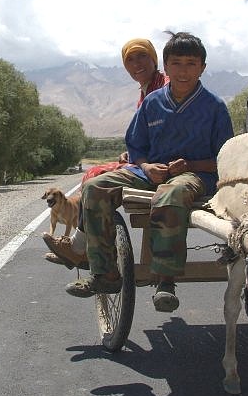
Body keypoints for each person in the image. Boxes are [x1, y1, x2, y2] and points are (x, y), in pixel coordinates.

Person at [65, 31, 234, 312]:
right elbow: (136, 147)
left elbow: (225, 158)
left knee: (172, 193)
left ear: (202, 67)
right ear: (165, 67)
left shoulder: (214, 107)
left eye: (191, 64)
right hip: (150, 173)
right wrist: (145, 166)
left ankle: (165, 280)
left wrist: (190, 165)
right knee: (96, 187)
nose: (183, 71)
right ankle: (104, 274)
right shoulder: (153, 102)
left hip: (195, 176)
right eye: (176, 63)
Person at [43, 38, 169, 270]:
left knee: (94, 175)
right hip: (146, 160)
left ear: (154, 59)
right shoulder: (148, 88)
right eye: (130, 59)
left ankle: (83, 250)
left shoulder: (163, 87)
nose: (136, 63)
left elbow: (165, 134)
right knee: (92, 174)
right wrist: (131, 152)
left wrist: (137, 155)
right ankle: (86, 247)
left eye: (142, 56)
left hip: (158, 165)